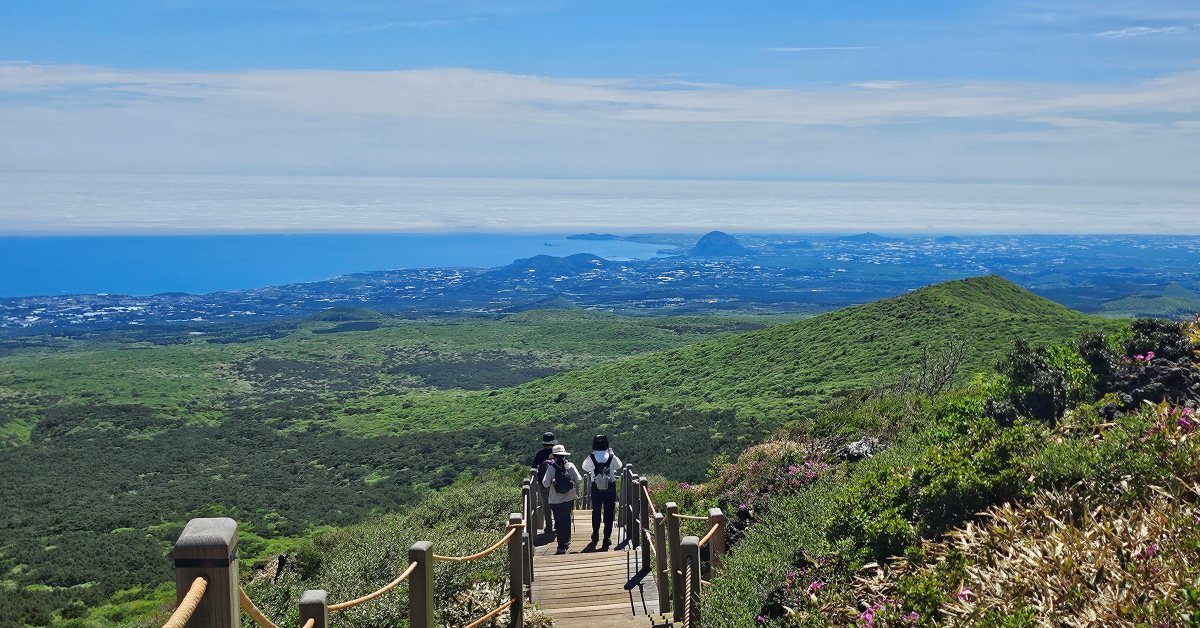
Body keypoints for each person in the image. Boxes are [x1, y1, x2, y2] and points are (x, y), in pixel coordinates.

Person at [581, 434, 622, 548]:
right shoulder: (611, 456)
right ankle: (606, 538)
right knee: (609, 512)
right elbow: (619, 466)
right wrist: (612, 453)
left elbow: (585, 467)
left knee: (596, 510)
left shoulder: (592, 457)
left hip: (596, 486)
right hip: (610, 486)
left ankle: (595, 534)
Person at [541, 443, 583, 554]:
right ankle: (567, 541)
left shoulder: (551, 468)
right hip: (569, 498)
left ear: (554, 456)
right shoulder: (570, 466)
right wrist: (571, 480)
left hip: (555, 500)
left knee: (559, 522)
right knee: (567, 518)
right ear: (564, 455)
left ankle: (560, 547)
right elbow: (579, 479)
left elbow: (545, 484)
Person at [529, 432, 557, 535]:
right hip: (556, 484)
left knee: (546, 505)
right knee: (556, 504)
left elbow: (533, 468)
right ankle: (557, 523)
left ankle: (548, 525)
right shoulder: (558, 453)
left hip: (543, 484)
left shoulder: (540, 454)